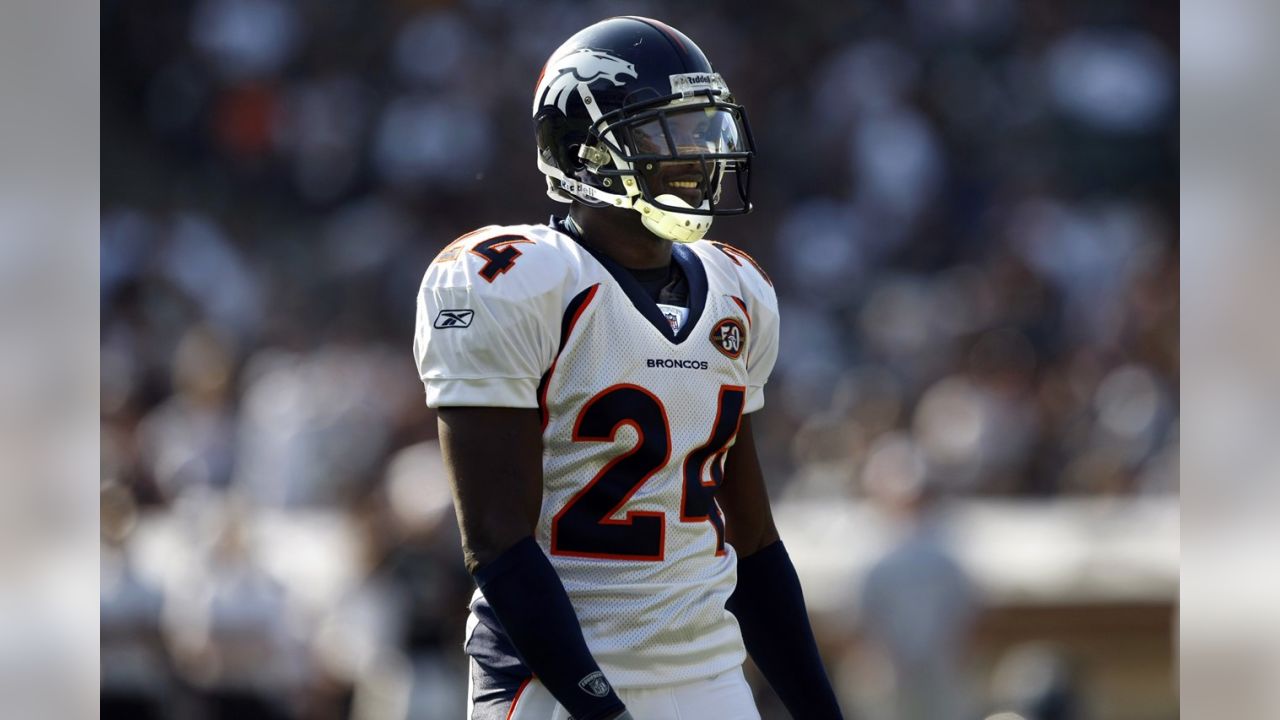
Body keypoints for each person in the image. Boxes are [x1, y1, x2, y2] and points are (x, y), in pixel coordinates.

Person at [414, 16, 842, 720]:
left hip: (706, 670)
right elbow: (496, 539)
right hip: (552, 677)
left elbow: (754, 541)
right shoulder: (515, 281)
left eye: (705, 130)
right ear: (582, 150)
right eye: (665, 133)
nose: (700, 155)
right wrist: (600, 707)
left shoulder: (737, 289)